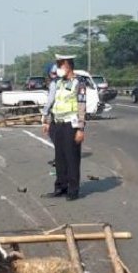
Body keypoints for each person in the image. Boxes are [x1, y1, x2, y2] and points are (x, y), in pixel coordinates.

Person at [41, 54, 86, 201]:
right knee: (59, 158)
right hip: (57, 123)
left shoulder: (79, 83)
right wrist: (47, 121)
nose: (59, 69)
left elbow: (81, 105)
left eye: (61, 65)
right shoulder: (58, 82)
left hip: (70, 125)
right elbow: (53, 101)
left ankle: (73, 190)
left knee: (71, 157)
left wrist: (80, 129)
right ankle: (60, 187)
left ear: (68, 66)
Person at [41, 64, 59, 166]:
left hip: (57, 114)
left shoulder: (54, 83)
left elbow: (50, 100)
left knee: (54, 135)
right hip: (64, 114)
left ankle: (60, 159)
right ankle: (59, 158)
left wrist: (44, 112)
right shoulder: (63, 82)